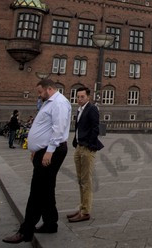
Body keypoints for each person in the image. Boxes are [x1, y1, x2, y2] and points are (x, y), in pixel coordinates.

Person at [2, 79, 71, 244]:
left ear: (49, 89)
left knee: (37, 190)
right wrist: (35, 149)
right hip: (44, 150)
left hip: (51, 150)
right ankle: (50, 223)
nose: (38, 95)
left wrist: (49, 151)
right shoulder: (49, 102)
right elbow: (44, 127)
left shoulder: (59, 103)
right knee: (46, 188)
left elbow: (58, 128)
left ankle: (25, 231)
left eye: (40, 92)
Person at [67, 86, 103, 223]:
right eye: (78, 97)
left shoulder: (92, 109)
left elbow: (95, 128)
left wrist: (89, 144)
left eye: (82, 97)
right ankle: (82, 207)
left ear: (88, 97)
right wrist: (76, 142)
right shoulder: (79, 109)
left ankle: (85, 211)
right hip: (79, 147)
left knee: (86, 181)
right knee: (81, 180)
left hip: (87, 148)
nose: (79, 99)